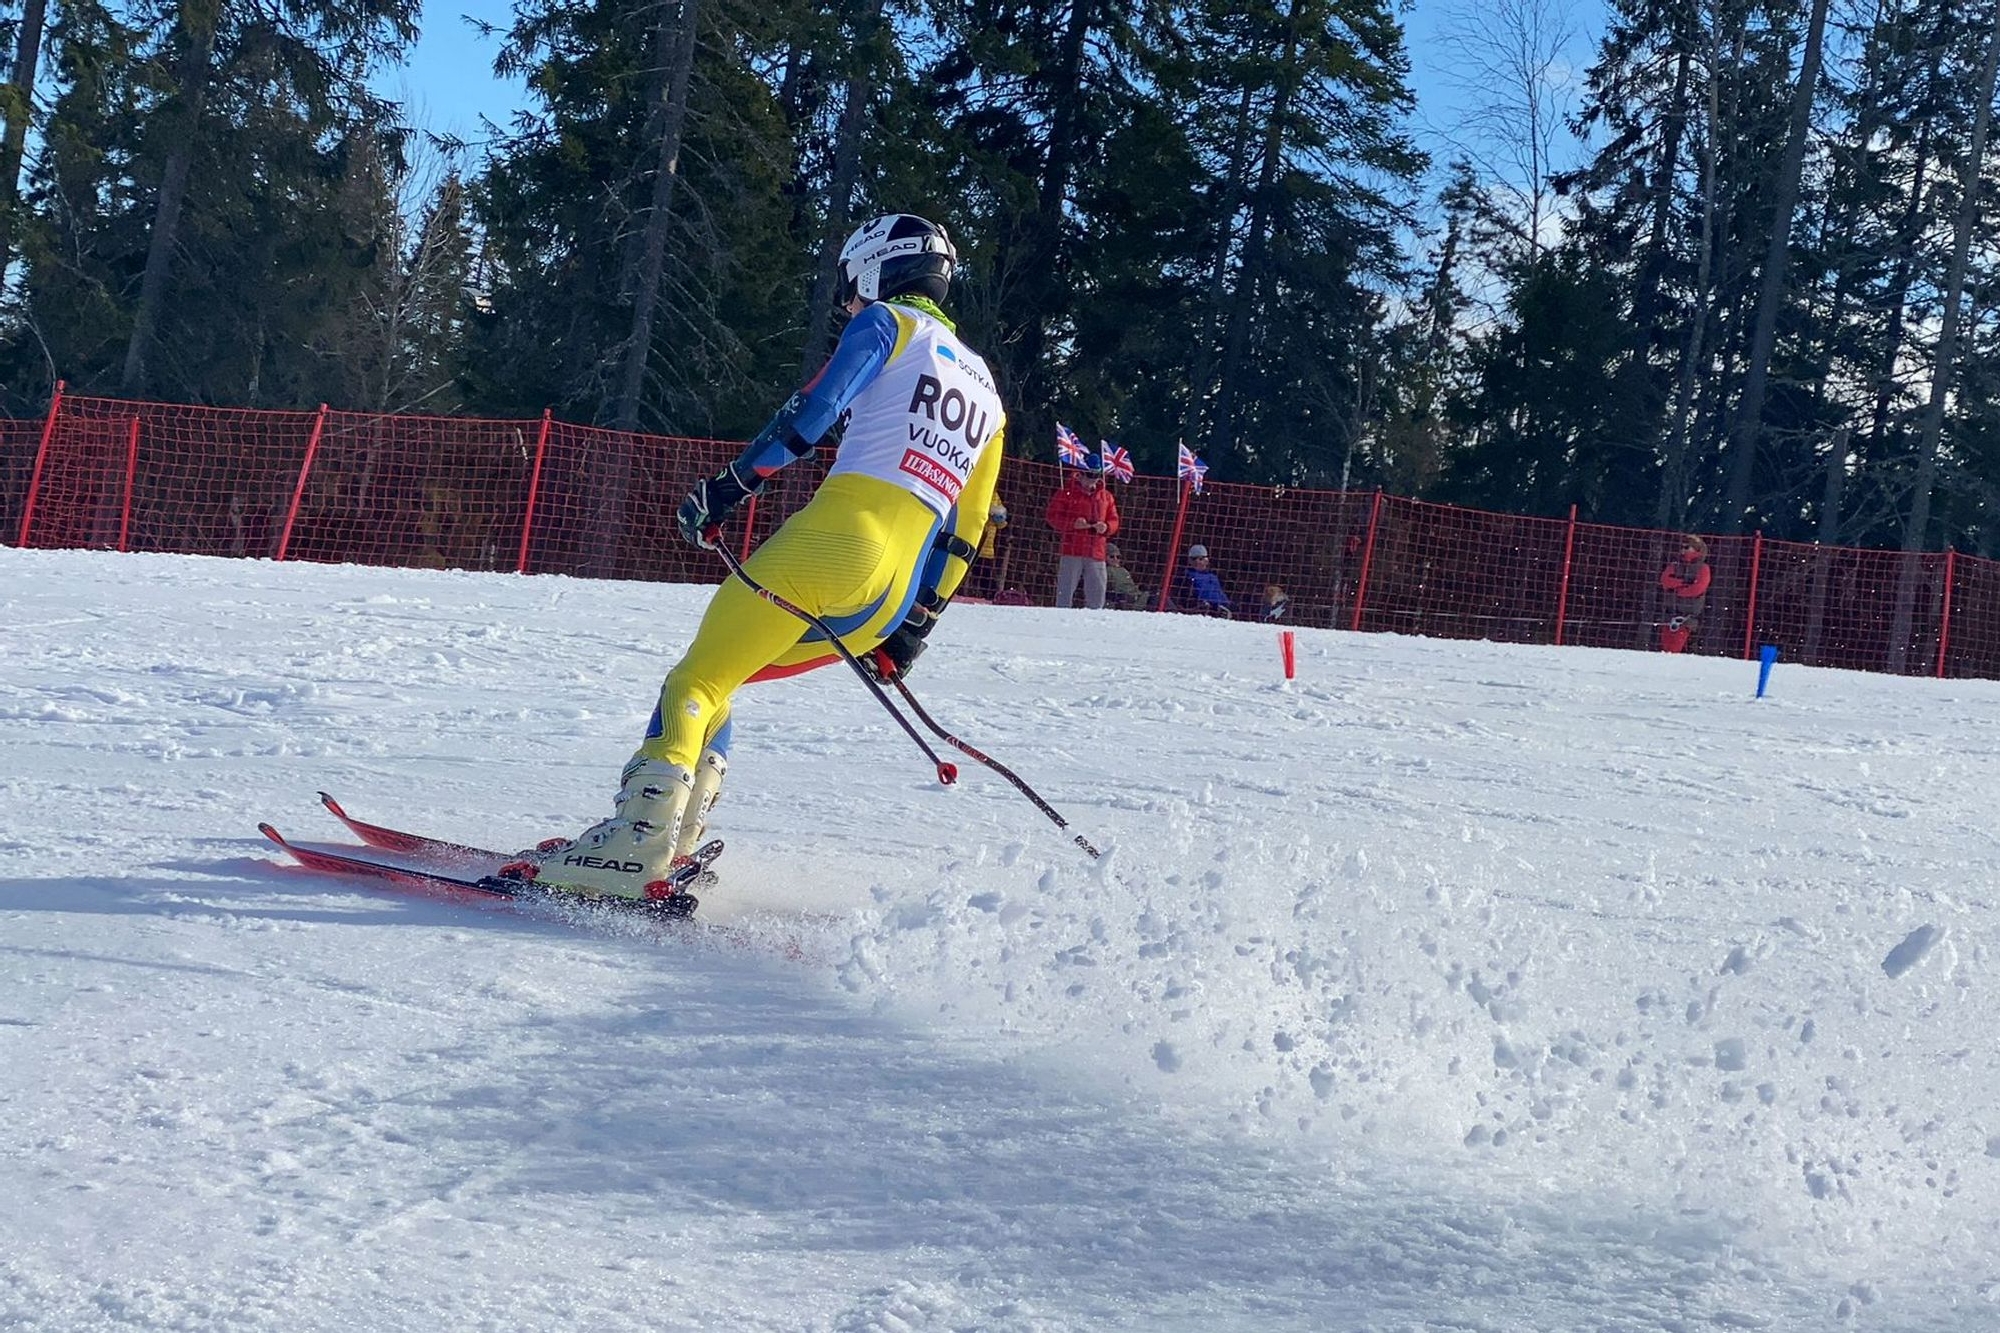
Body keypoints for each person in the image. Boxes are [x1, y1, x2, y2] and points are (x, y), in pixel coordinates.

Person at [521, 213, 1007, 899]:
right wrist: (912, 629)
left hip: (838, 543)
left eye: (850, 287)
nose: (848, 303)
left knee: (694, 682)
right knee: (724, 679)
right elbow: (968, 529)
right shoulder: (987, 389)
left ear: (877, 271)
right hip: (889, 594)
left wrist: (729, 487)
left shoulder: (888, 324)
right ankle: (674, 836)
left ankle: (635, 841)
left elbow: (811, 412)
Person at [1044, 454, 1120, 608]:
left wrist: (1106, 527)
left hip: (1096, 551)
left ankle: (1095, 619)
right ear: (1081, 474)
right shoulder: (1066, 493)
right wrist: (1072, 524)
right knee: (1065, 592)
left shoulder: (1106, 496)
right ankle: (1061, 616)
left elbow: (1114, 520)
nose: (1093, 480)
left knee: (1097, 593)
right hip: (1072, 550)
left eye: (1097, 476)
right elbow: (1052, 516)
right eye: (1090, 475)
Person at [1658, 534, 1711, 653]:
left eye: (1687, 547)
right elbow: (1665, 581)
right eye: (1682, 547)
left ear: (1696, 549)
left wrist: (1677, 590)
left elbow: (1698, 588)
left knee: (1679, 648)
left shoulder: (1703, 568)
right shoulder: (1675, 565)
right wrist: (1683, 584)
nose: (1683, 550)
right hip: (1669, 614)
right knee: (1666, 648)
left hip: (1689, 617)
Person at [966, 493, 1009, 599]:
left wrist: (999, 518)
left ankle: (992, 597)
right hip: (972, 539)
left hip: (987, 546)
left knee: (985, 574)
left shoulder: (995, 495)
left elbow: (1001, 522)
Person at [1182, 544, 1233, 617]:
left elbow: (1221, 594)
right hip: (1203, 608)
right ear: (1190, 561)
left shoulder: (1213, 576)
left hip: (1221, 606)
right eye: (1195, 559)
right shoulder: (1187, 576)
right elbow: (1186, 598)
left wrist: (1228, 605)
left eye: (1202, 559)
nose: (1198, 562)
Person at [1104, 541, 1147, 610]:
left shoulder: (1123, 570)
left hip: (1136, 595)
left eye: (1118, 557)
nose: (1115, 559)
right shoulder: (1106, 570)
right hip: (1124, 598)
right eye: (1111, 556)